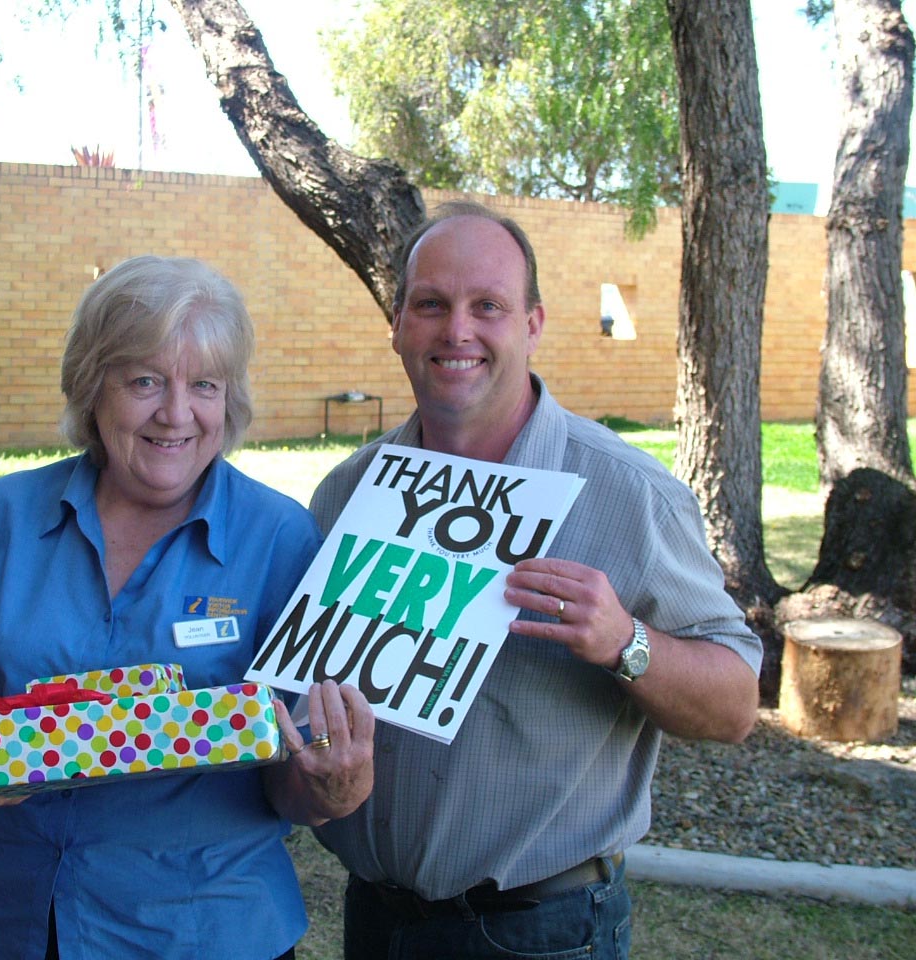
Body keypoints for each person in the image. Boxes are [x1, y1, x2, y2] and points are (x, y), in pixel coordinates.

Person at [308, 201, 762, 960]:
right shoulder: (347, 496)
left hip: (543, 933)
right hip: (377, 921)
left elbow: (737, 706)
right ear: (397, 326)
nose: (458, 330)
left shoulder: (628, 494)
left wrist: (626, 642)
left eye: (488, 305)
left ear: (533, 325)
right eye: (431, 305)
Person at [0, 254, 374, 960]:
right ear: (94, 387)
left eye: (204, 385)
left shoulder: (280, 538)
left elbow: (288, 775)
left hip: (204, 931)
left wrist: (331, 786)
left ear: (228, 401)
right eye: (145, 380)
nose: (176, 414)